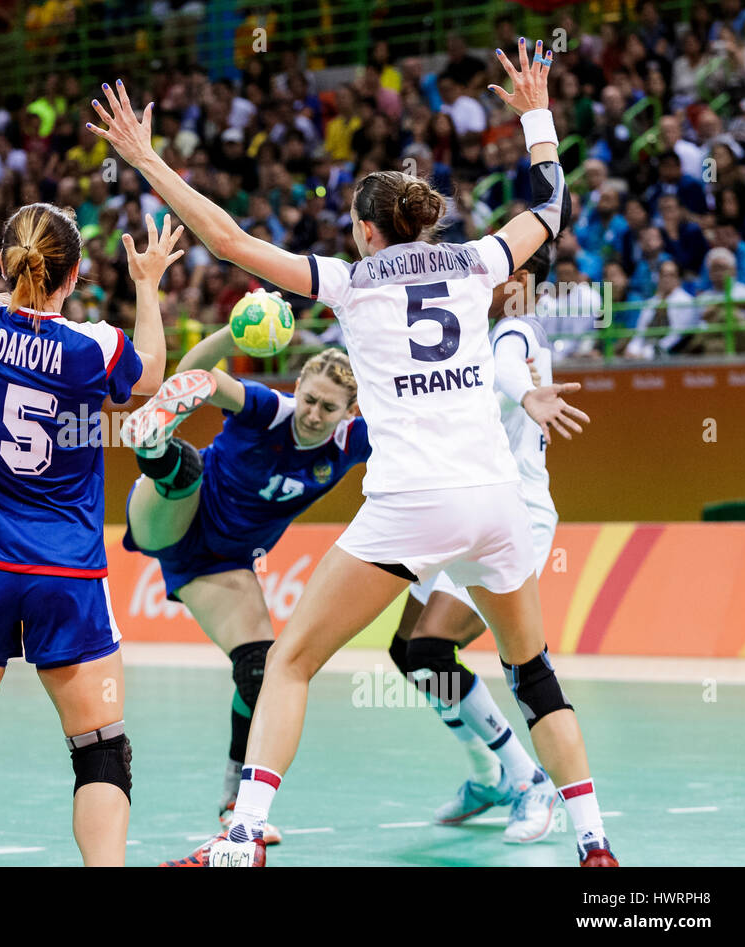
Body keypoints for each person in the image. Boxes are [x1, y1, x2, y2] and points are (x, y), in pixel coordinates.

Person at [92, 40, 616, 867]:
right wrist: (535, 116)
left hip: (415, 505)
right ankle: (595, 842)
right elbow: (550, 207)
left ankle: (243, 834)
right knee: (533, 671)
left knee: (292, 662)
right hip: (496, 500)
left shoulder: (352, 280)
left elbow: (226, 239)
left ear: (367, 230)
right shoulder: (479, 261)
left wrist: (146, 158)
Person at [0, 157, 172, 866]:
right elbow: (151, 378)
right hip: (66, 570)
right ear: (74, 276)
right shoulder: (95, 346)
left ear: (4, 260)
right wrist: (147, 287)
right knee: (101, 752)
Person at [115, 328, 370, 864]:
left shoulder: (351, 443)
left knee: (261, 672)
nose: (315, 414)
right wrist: (231, 335)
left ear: (351, 410)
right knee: (185, 468)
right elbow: (201, 377)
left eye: (329, 407)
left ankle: (237, 800)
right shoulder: (266, 410)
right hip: (174, 514)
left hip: (221, 565)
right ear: (296, 386)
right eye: (310, 399)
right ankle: (152, 443)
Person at [387, 245, 562, 843]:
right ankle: (489, 773)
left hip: (510, 517)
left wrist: (530, 394)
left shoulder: (517, 329)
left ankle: (530, 779)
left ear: (520, 278)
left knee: (436, 648)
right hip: (459, 509)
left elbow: (511, 366)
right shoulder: (472, 336)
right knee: (406, 651)